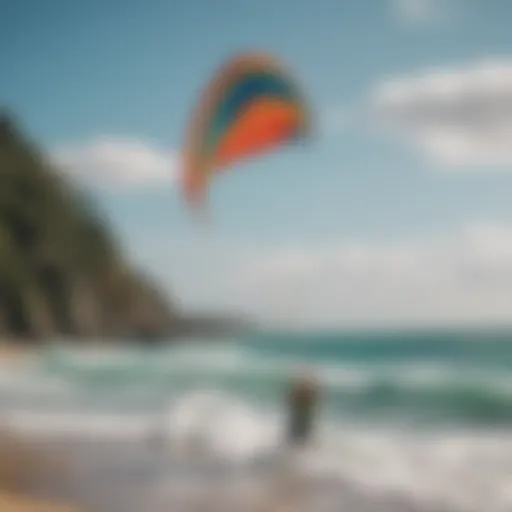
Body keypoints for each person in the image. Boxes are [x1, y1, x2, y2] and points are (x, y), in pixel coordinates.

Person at [285, 369, 319, 449]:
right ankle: (300, 448)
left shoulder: (300, 391)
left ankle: (297, 447)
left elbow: (290, 400)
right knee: (300, 431)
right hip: (301, 413)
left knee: (298, 430)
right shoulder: (307, 392)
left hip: (301, 413)